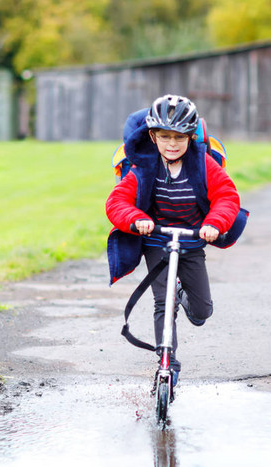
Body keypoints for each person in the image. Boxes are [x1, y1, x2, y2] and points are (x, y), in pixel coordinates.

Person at [106, 94, 247, 386]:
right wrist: (136, 219)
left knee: (201, 312)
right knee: (162, 302)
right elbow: (117, 200)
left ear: (190, 137)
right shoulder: (144, 167)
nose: (172, 144)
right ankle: (166, 361)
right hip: (157, 242)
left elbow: (226, 196)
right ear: (153, 137)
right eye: (165, 136)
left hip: (192, 242)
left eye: (179, 138)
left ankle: (187, 298)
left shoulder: (203, 165)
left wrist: (213, 224)